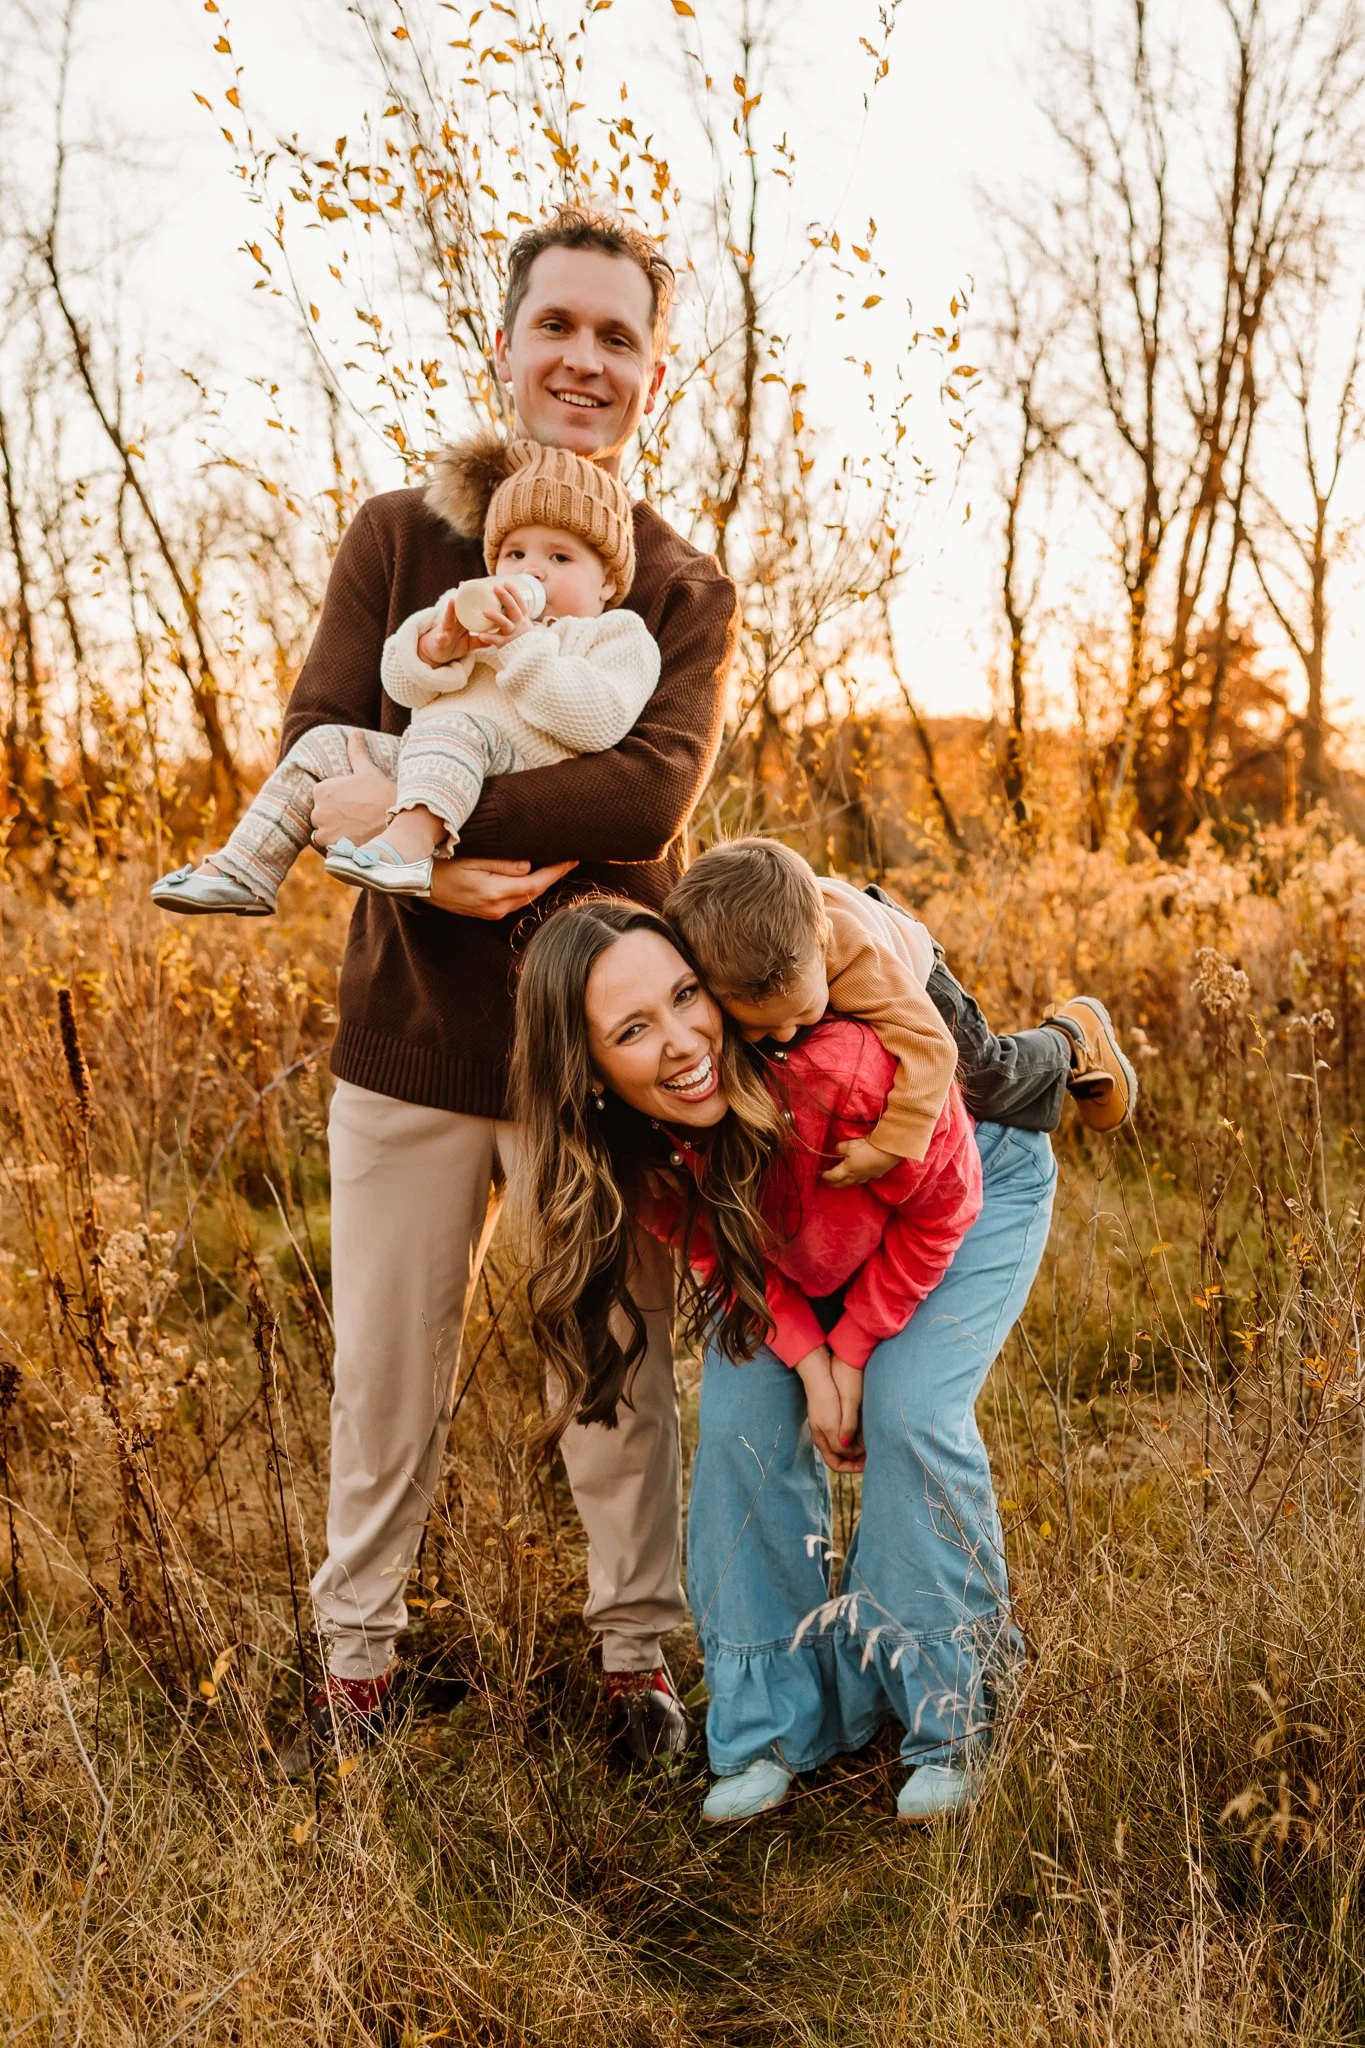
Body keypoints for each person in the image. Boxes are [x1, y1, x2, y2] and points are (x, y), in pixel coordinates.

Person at [259, 206, 739, 1778]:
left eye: (616, 338)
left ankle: (633, 1668)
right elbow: (318, 741)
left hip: (590, 1039)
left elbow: (647, 800)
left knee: (605, 1352)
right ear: (505, 347)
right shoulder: (401, 536)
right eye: (559, 328)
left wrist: (433, 815)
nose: (582, 361)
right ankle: (358, 1666)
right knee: (385, 1360)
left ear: (653, 376)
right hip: (404, 1030)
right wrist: (403, 841)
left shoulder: (676, 584)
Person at [509, 899, 1059, 1824]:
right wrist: (809, 1362)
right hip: (808, 1248)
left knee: (905, 1410)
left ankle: (953, 1717)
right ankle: (770, 1725)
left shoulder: (830, 1064)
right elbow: (722, 1263)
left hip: (959, 1192)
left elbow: (939, 1205)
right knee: (738, 1424)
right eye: (634, 1030)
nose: (684, 1042)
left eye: (688, 996)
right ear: (589, 1070)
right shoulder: (632, 1148)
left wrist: (851, 1351)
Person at [151, 437, 656, 914]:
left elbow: (601, 720)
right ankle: (246, 869)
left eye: (560, 557)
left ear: (608, 579)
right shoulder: (472, 614)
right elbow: (401, 684)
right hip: (427, 763)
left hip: (518, 767)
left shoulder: (613, 635)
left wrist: (523, 649)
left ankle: (408, 851)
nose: (533, 572)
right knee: (323, 746)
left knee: (456, 728)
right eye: (515, 554)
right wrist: (433, 648)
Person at [665, 837, 1137, 1164]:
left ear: (823, 942)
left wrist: (892, 1143)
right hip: (801, 925)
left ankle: (1068, 1042)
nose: (786, 1032)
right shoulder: (729, 956)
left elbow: (933, 1046)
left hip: (908, 955)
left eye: (802, 1013)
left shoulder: (860, 963)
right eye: (760, 1027)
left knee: (981, 1075)